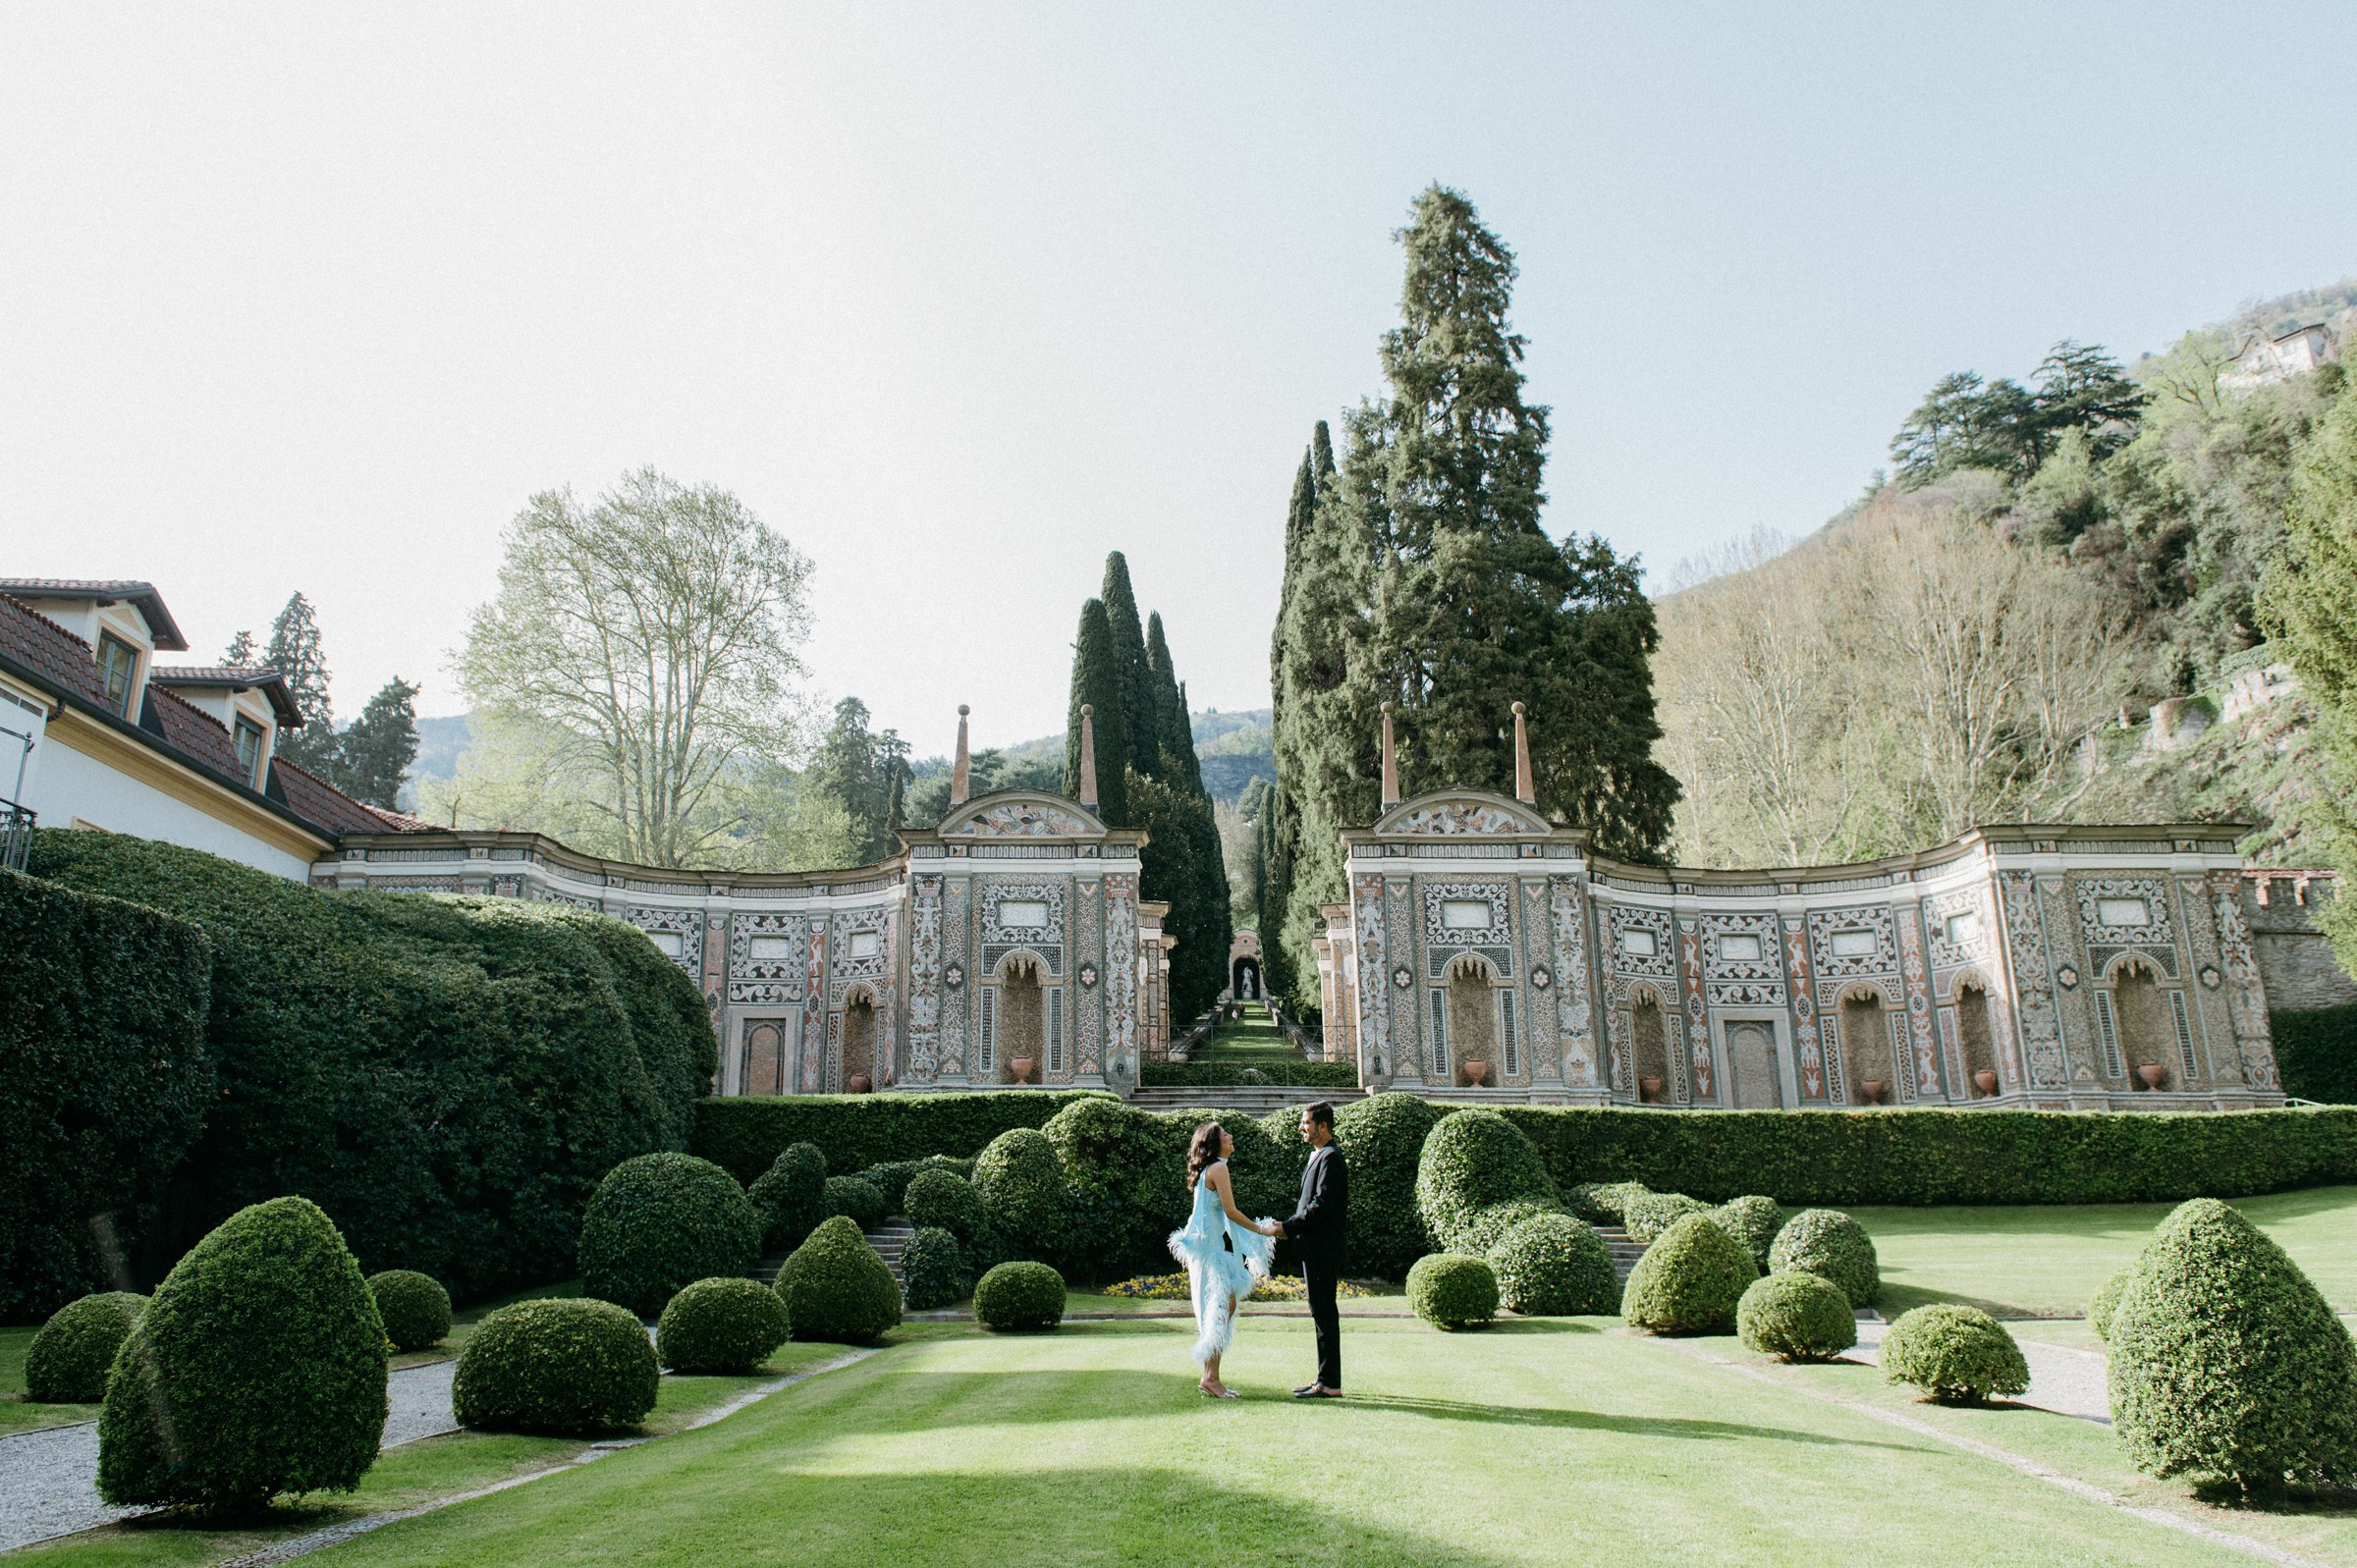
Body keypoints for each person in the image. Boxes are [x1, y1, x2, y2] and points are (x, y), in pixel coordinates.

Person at [1167, 1120, 1279, 1398]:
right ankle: (1211, 1378)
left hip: (1208, 1250)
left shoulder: (1210, 1168)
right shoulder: (1218, 1168)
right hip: (1210, 1252)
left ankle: (1210, 1377)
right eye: (1225, 1134)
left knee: (1219, 1309)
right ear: (1215, 1143)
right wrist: (1262, 1230)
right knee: (1217, 1310)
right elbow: (1231, 1212)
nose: (1231, 1137)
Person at [1272, 1101, 1348, 1398]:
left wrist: (1287, 1227)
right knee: (1320, 1312)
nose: (1301, 1128)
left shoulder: (1330, 1157)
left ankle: (1330, 1384)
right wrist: (1287, 1224)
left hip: (1323, 1248)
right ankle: (1323, 1379)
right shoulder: (1319, 1155)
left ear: (1323, 1126)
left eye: (1306, 1123)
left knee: (1325, 1313)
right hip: (1315, 1247)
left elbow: (1320, 1206)